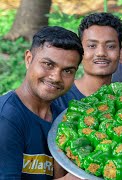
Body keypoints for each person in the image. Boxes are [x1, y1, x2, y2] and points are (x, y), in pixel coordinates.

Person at [0, 26, 83, 179]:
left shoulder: (62, 119)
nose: (56, 77)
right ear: (28, 59)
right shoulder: (6, 118)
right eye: (48, 64)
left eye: (67, 71)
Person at [54, 12, 122, 110]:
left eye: (110, 46)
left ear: (121, 54)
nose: (101, 53)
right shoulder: (58, 98)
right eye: (92, 46)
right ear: (80, 52)